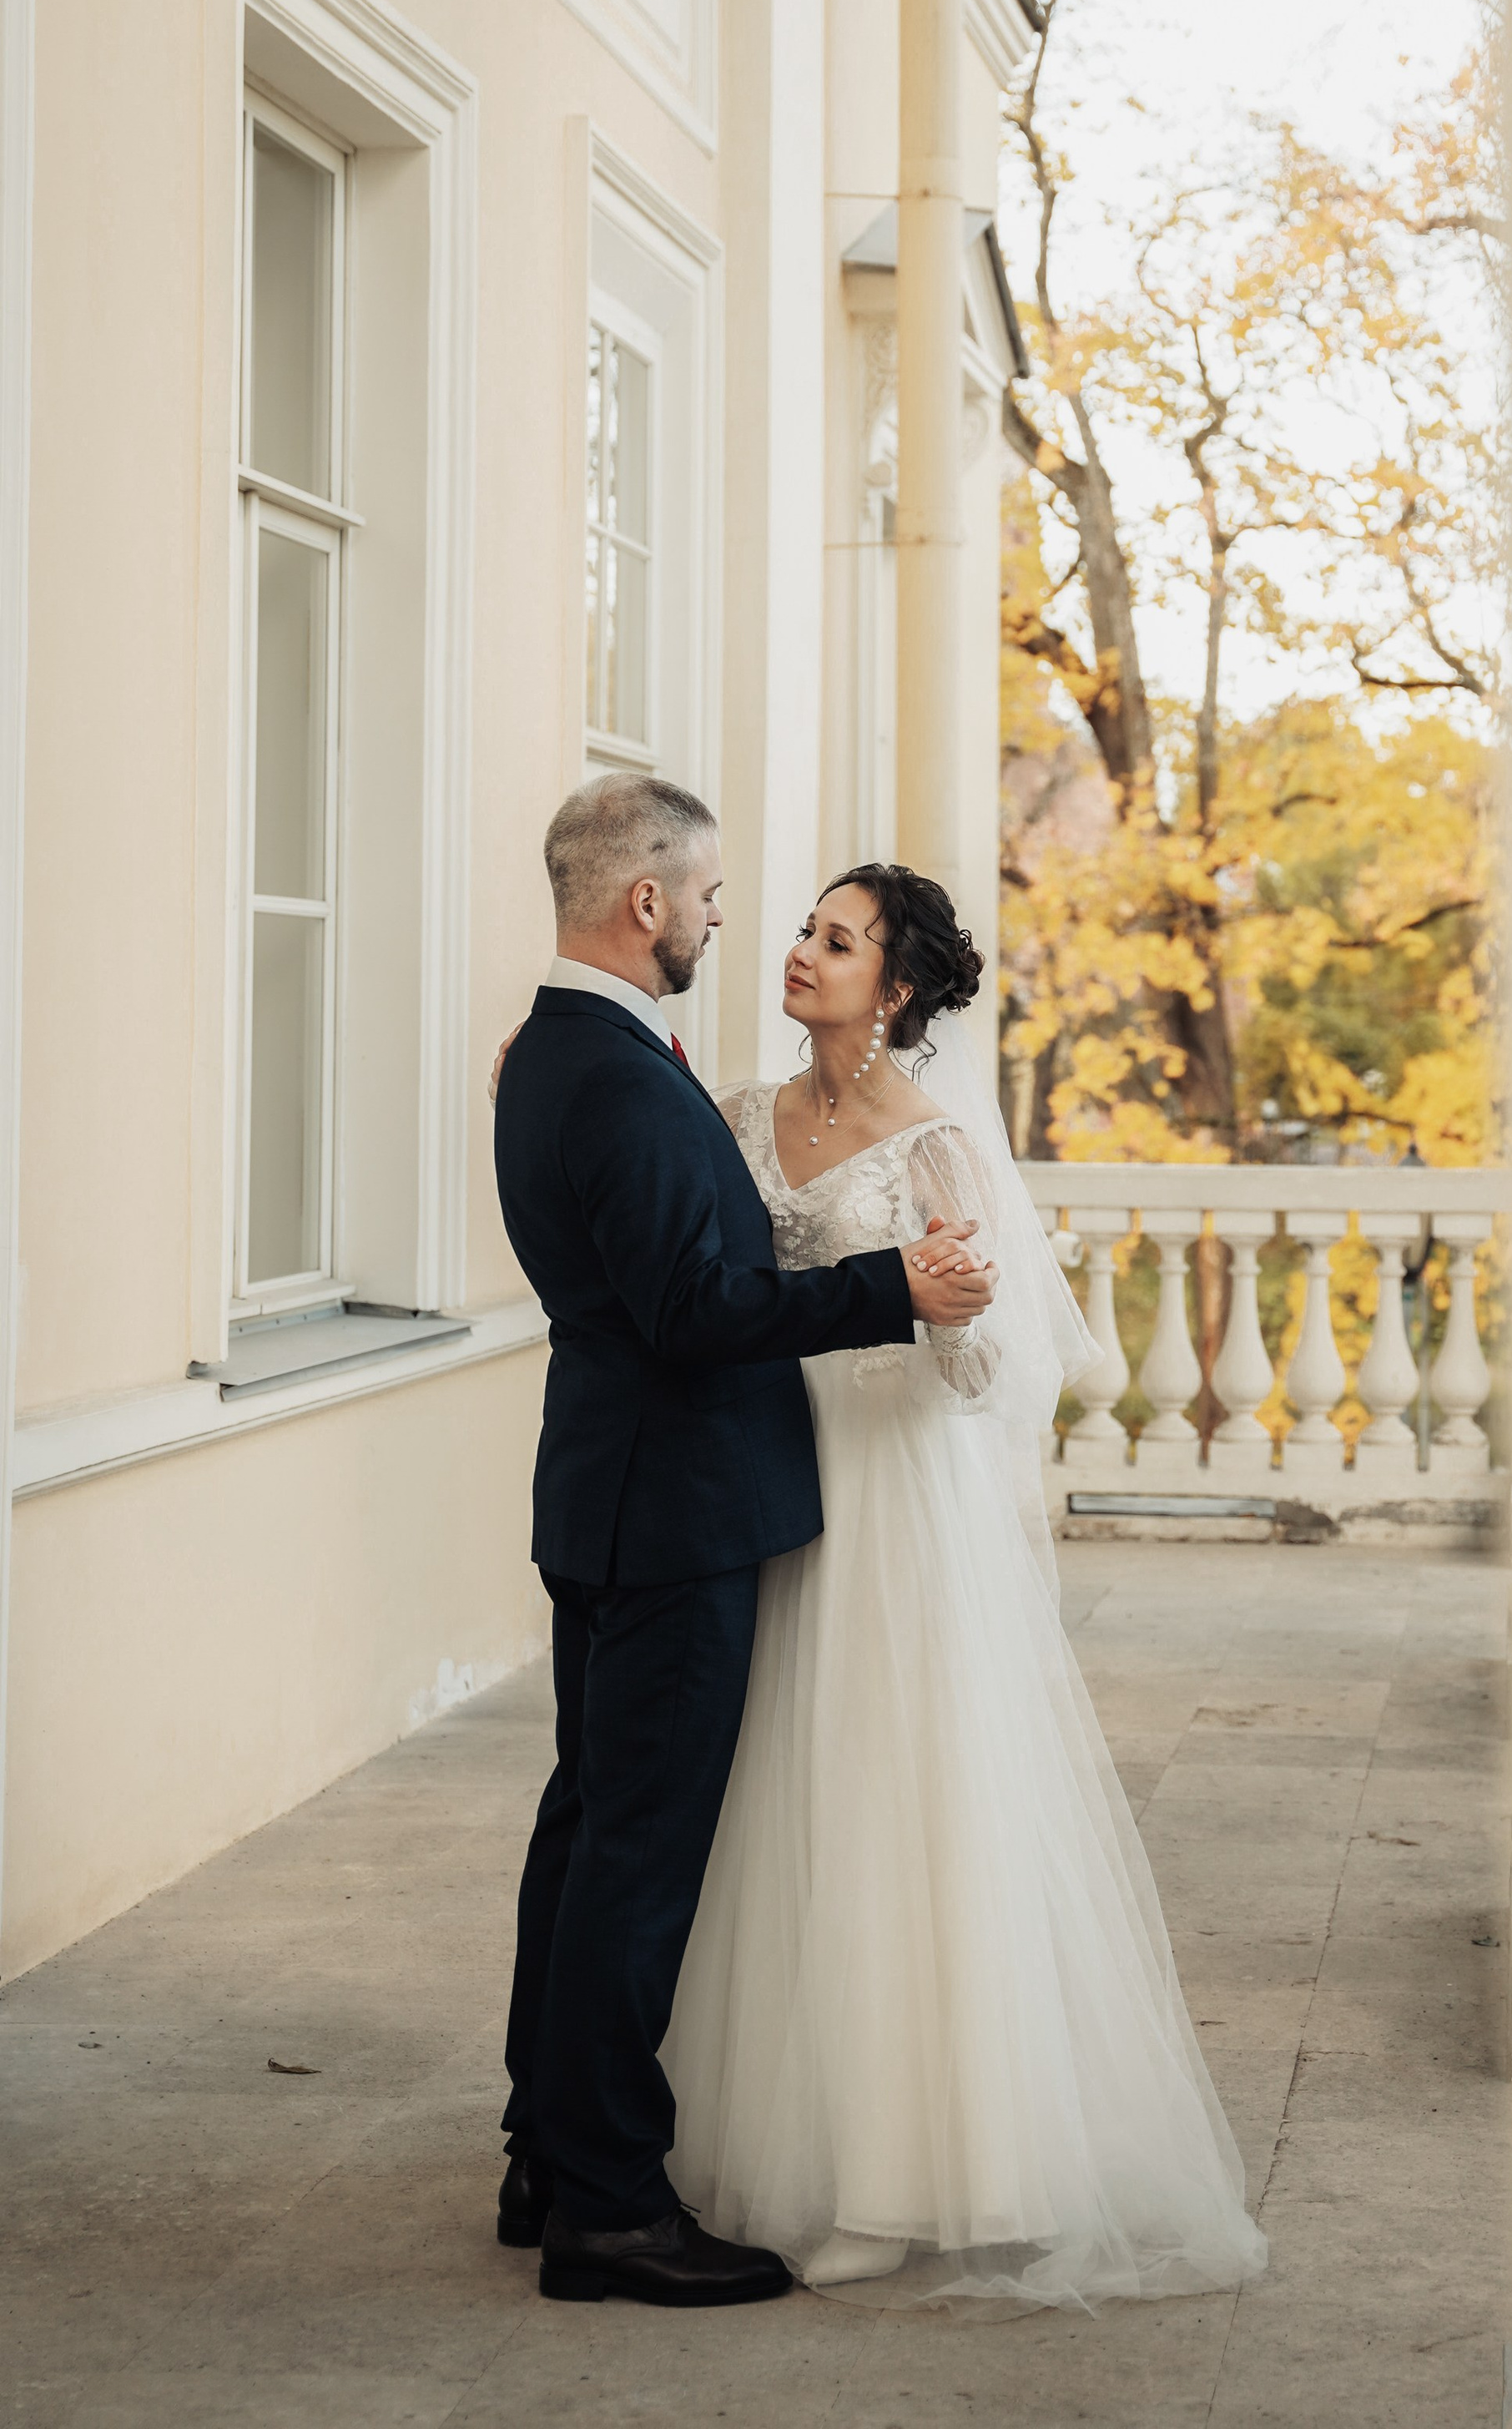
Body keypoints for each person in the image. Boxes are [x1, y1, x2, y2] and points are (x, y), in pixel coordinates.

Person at [660, 863, 1269, 2308]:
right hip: (771, 1475)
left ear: (902, 988)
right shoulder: (745, 1116)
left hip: (894, 1498)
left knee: (889, 1801)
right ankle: (763, 2137)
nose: (801, 953)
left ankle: (905, 2176)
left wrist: (955, 1316)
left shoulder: (935, 1147)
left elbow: (997, 1374)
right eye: (807, 930)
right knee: (776, 1800)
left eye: (838, 941)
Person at [490, 776, 997, 2309]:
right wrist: (888, 1291)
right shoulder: (626, 1081)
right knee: (633, 1859)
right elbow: (697, 1310)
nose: (738, 925)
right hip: (674, 1512)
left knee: (586, 1836)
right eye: (720, 899)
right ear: (647, 905)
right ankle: (608, 2209)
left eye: (824, 932)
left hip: (615, 1495)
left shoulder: (558, 1056)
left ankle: (548, 2151)